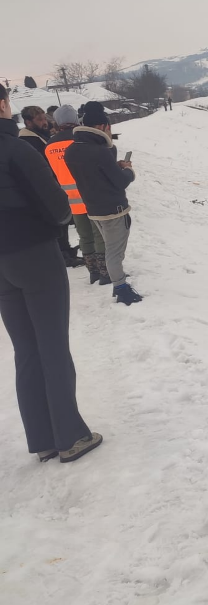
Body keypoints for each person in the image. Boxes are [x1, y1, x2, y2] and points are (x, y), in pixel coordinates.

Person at [0, 83, 102, 462]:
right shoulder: (17, 149)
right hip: (35, 256)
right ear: (2, 106)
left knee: (25, 349)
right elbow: (59, 208)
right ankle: (70, 436)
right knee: (52, 344)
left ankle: (42, 438)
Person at [64, 102, 142, 305]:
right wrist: (128, 170)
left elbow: (94, 173)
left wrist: (114, 165)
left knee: (110, 248)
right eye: (108, 126)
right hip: (114, 210)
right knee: (114, 252)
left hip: (93, 209)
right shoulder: (100, 151)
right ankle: (121, 289)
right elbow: (120, 181)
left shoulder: (72, 150)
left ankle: (118, 280)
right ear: (101, 126)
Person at [46, 105, 108, 285]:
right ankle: (105, 272)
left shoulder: (49, 146)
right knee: (99, 235)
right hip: (91, 195)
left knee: (84, 236)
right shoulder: (81, 140)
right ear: (76, 119)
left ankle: (93, 271)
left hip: (71, 199)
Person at [20, 105, 81, 267]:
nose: (44, 122)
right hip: (43, 187)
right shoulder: (28, 141)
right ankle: (63, 254)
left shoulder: (40, 136)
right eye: (39, 119)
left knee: (63, 220)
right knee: (57, 221)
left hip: (54, 183)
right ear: (28, 122)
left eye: (44, 118)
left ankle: (66, 250)